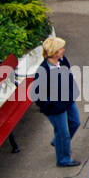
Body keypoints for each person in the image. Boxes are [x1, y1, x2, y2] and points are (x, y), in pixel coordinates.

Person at [32, 36, 80, 167]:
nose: (64, 50)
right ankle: (64, 159)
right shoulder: (43, 71)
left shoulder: (63, 61)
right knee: (63, 133)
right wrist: (51, 106)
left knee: (75, 122)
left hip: (67, 100)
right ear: (54, 52)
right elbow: (37, 95)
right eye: (61, 48)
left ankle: (58, 142)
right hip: (55, 107)